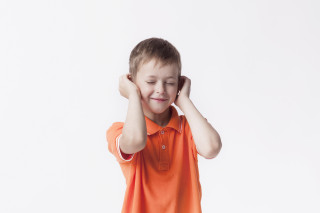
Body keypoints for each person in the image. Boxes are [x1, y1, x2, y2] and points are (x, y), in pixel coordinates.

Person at [106, 37, 222, 213]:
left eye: (170, 83)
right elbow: (136, 141)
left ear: (179, 84)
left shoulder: (188, 128)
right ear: (132, 82)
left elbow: (211, 148)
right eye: (151, 82)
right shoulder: (121, 130)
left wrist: (183, 100)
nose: (160, 89)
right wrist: (133, 95)